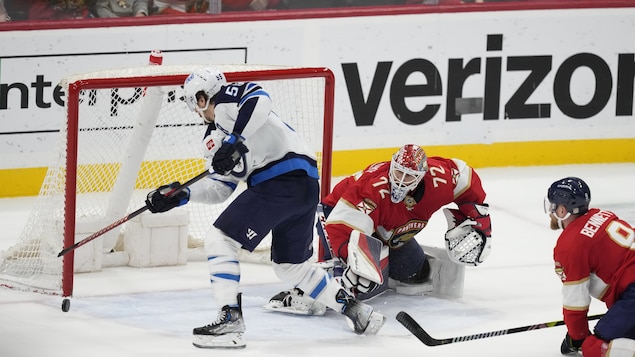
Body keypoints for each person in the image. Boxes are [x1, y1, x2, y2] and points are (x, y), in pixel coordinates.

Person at [144, 67, 385, 349]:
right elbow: (221, 187)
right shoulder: (215, 139)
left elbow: (259, 98)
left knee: (220, 240)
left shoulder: (227, 101)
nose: (198, 110)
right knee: (290, 266)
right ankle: (357, 312)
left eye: (197, 103)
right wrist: (181, 194)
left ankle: (230, 319)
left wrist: (235, 141)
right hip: (303, 187)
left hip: (280, 181)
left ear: (199, 99)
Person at [267, 144, 492, 313]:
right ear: (392, 165)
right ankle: (305, 293)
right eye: (398, 172)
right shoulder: (373, 190)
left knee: (415, 273)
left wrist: (479, 220)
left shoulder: (439, 180)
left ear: (422, 176)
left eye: (409, 177)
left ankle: (382, 268)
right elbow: (340, 227)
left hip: (390, 231)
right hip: (338, 213)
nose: (401, 181)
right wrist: (354, 261)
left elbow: (466, 178)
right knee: (356, 284)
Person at [545, 177, 635, 357]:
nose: (550, 211)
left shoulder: (569, 245)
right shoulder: (601, 214)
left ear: (562, 210)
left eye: (553, 206)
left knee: (593, 347)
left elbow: (575, 303)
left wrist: (577, 337)